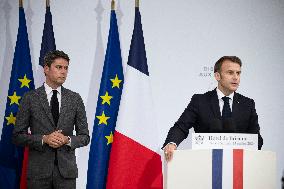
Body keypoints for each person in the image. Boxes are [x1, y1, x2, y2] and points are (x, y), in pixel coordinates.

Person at [13, 50, 90, 189]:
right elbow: (17, 136)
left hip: (66, 174)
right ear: (46, 69)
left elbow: (85, 137)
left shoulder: (75, 99)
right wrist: (44, 139)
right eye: (59, 67)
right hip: (38, 174)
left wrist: (67, 140)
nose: (63, 72)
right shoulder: (30, 98)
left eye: (66, 68)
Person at [163, 56, 263, 162]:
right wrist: (171, 143)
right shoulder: (200, 101)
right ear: (217, 76)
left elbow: (256, 139)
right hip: (205, 164)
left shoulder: (247, 104)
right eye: (230, 72)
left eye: (238, 73)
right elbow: (181, 127)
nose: (235, 77)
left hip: (237, 167)